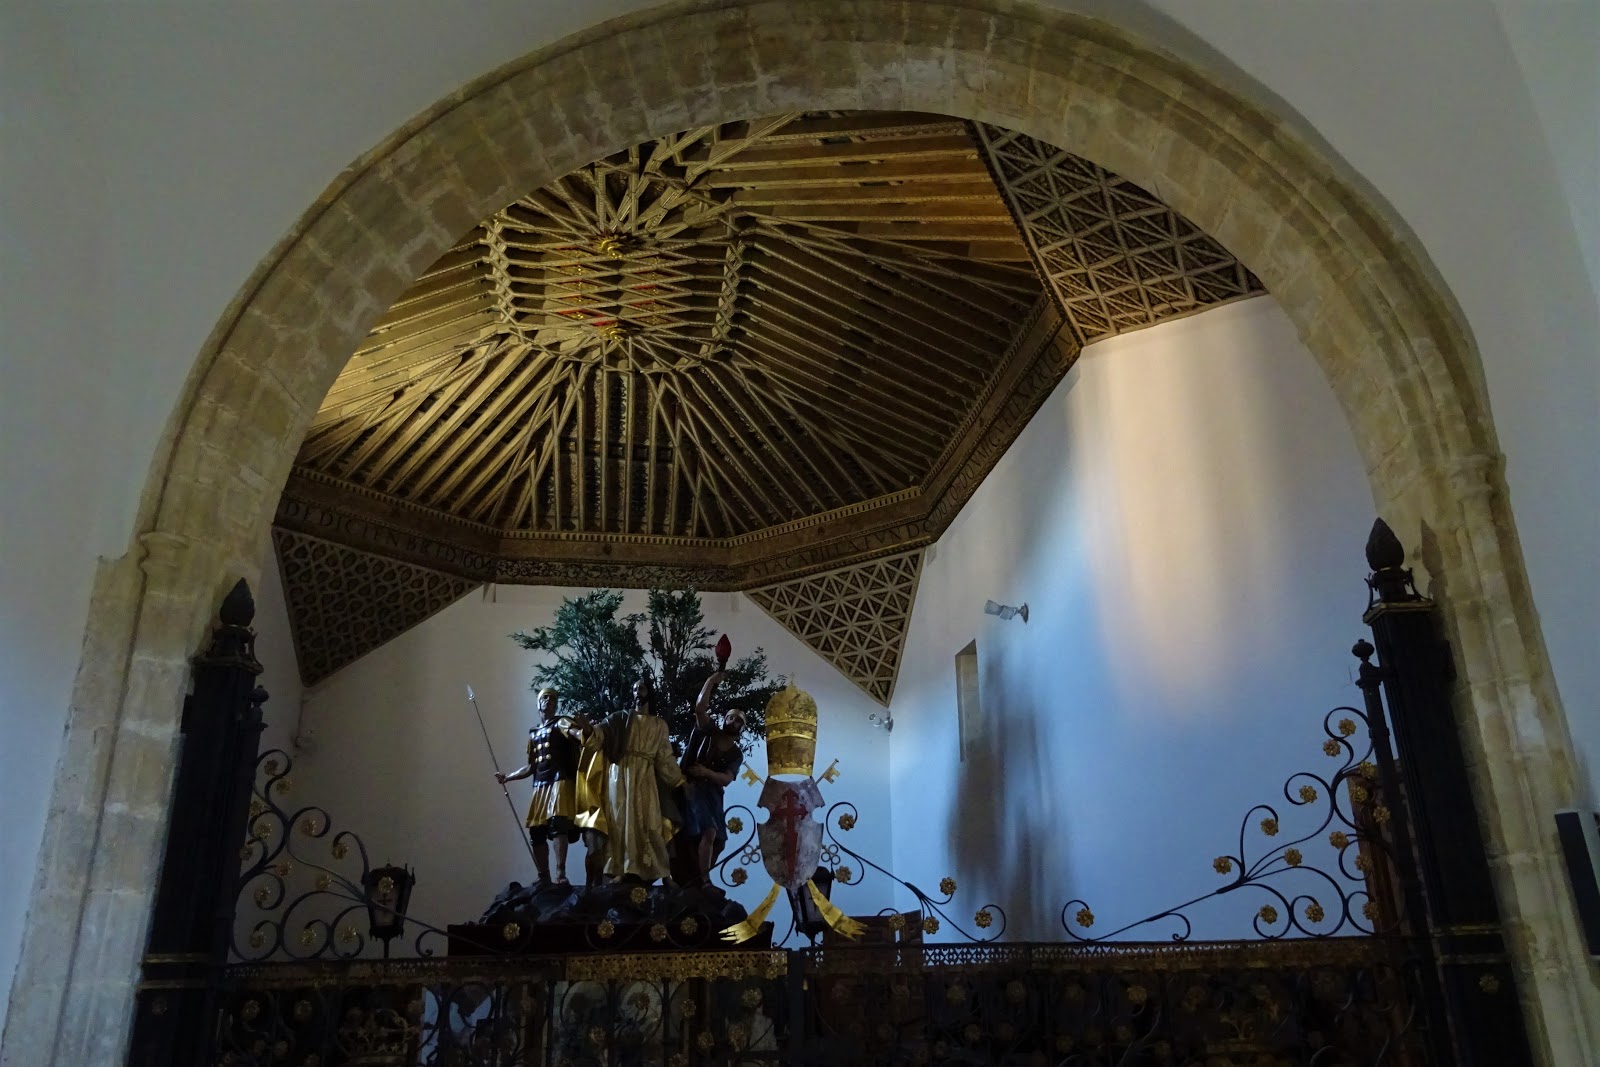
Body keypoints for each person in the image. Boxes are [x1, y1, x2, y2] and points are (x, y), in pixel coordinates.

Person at [573, 675, 685, 884]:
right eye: (634, 689)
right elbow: (599, 737)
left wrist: (679, 781)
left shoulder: (659, 725)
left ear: (649, 692)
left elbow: (665, 758)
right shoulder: (619, 719)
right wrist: (587, 729)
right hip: (619, 774)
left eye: (641, 689)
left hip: (646, 776)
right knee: (619, 820)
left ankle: (662, 871)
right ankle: (620, 868)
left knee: (651, 821)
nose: (636, 693)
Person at [496, 687, 581, 885]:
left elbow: (576, 733)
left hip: (560, 781)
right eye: (545, 697)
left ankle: (560, 873)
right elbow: (531, 767)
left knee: (558, 825)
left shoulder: (561, 722)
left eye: (552, 698)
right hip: (541, 785)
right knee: (536, 830)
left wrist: (584, 731)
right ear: (538, 703)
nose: (548, 701)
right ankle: (543, 876)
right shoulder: (534, 734)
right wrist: (508, 777)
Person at [679, 670, 744, 887]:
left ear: (741, 728)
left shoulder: (735, 754)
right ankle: (704, 880)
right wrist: (711, 681)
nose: (733, 721)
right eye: (730, 717)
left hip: (713, 794)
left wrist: (707, 773)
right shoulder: (709, 731)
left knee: (719, 840)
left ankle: (699, 876)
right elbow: (700, 708)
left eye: (738, 720)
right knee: (708, 831)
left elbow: (727, 778)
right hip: (693, 788)